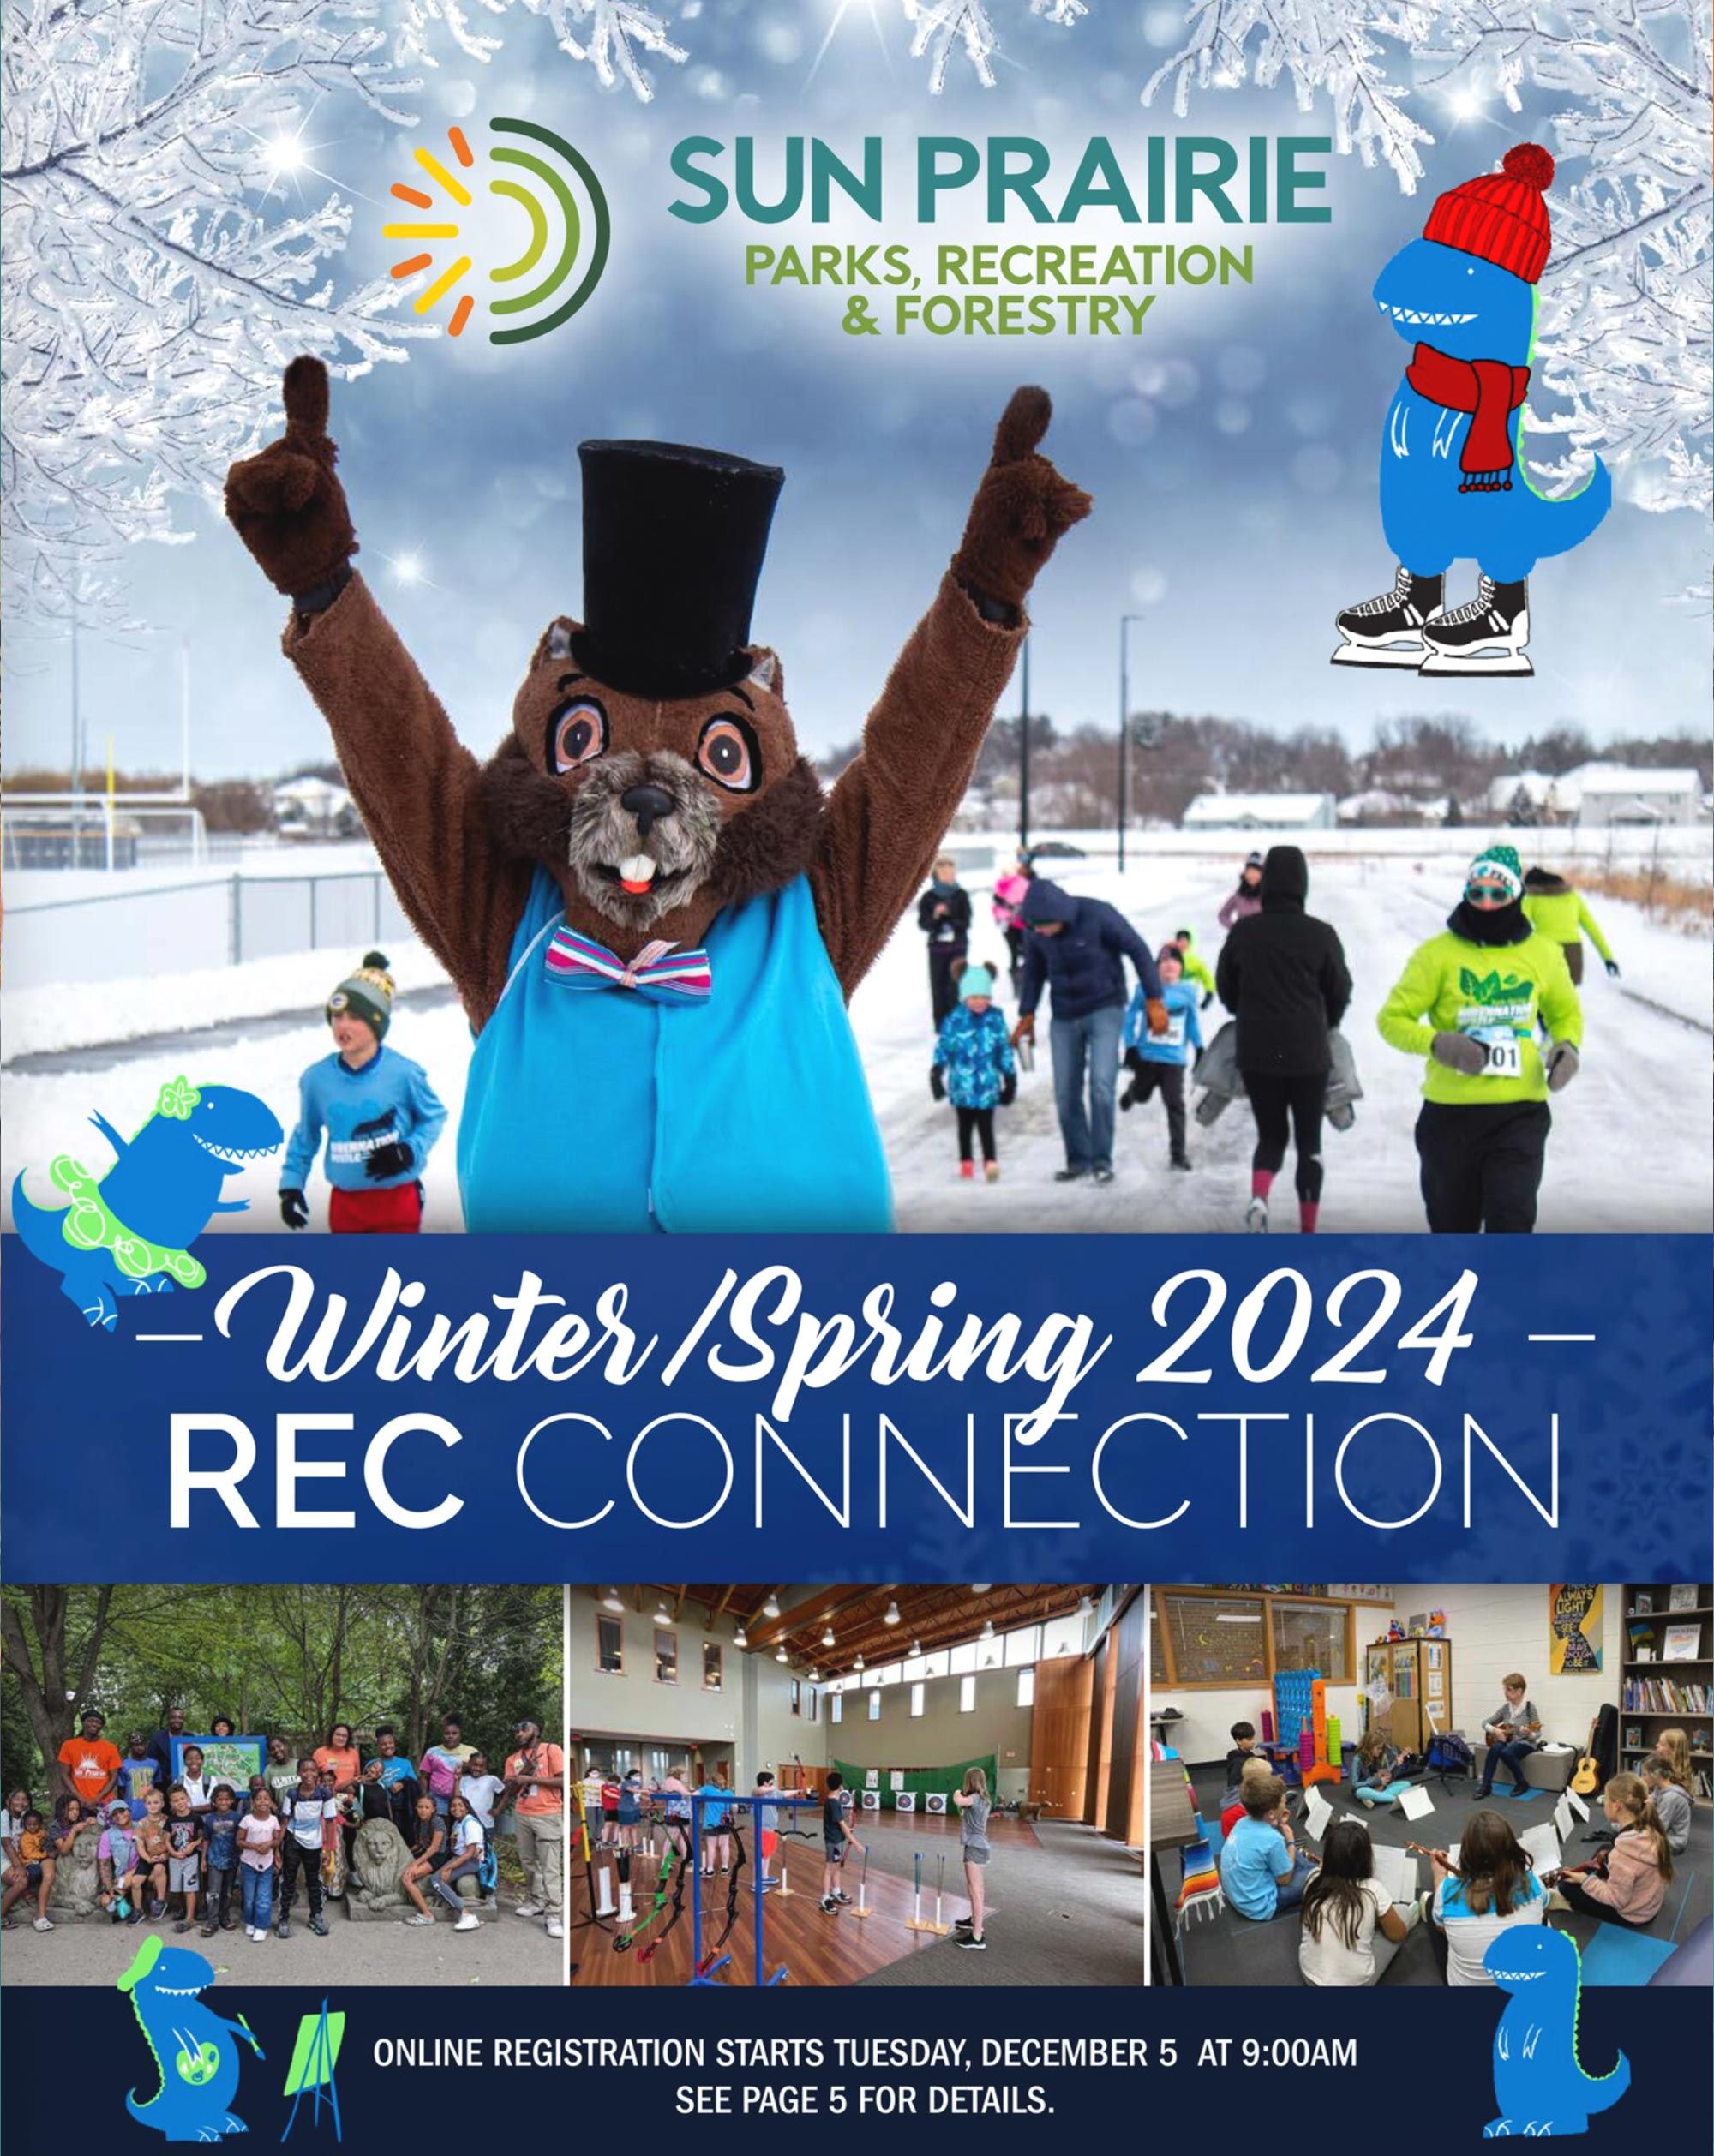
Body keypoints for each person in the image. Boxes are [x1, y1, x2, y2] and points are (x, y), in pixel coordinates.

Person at [1377, 844, 1581, 1234]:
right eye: (1477, 893)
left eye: (1498, 893)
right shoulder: (1436, 955)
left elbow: (1564, 1012)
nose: (1487, 903)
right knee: (1454, 1233)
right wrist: (1438, 1044)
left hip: (1520, 1113)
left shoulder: (1542, 953)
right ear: (1466, 893)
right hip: (1450, 1117)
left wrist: (1567, 1046)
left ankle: (1505, 1294)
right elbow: (1392, 1020)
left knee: (1512, 1221)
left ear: (1516, 895)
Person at [1216, 845, 1351, 1235]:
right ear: (1303, 885)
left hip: (1257, 1051)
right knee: (1309, 1141)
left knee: (1271, 1134)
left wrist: (1247, 1009)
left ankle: (1260, 1197)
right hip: (1309, 1052)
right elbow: (1340, 989)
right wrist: (1327, 1020)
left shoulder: (1244, 932)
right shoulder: (1321, 934)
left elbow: (1227, 988)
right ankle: (1307, 1228)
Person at [279, 951, 446, 1234]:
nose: (343, 1025)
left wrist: (408, 1151)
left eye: (355, 1017)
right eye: (337, 1017)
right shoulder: (317, 1080)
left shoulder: (404, 1073)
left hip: (398, 1201)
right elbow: (305, 1135)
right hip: (347, 1207)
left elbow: (434, 1118)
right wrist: (291, 1186)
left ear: (376, 1023)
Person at [1013, 878, 1165, 1185]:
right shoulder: (1035, 931)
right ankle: (1078, 1159)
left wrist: (1154, 998)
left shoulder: (1097, 915)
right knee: (1065, 1090)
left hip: (1104, 1007)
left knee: (1101, 1085)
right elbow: (1033, 973)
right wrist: (1026, 1013)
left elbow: (1137, 948)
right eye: (1034, 927)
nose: (1038, 932)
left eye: (1043, 926)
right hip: (1064, 1014)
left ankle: (1101, 1160)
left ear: (1061, 916)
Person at [1426, 1811, 1546, 1985]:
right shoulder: (1533, 1882)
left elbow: (1442, 1929)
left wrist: (1439, 1875)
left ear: (1466, 1853)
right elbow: (1542, 1910)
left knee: (1433, 1905)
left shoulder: (1447, 1891)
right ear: (1511, 1848)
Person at [1298, 1818, 1419, 1986]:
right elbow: (1397, 1934)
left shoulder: (1312, 1878)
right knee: (1403, 1913)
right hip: (1356, 1984)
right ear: (1366, 1857)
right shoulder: (1373, 1889)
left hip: (1311, 1976)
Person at [1547, 1773, 1670, 1929]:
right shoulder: (1651, 1828)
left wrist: (1584, 1880)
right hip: (1648, 1903)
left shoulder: (1622, 1856)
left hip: (1632, 1915)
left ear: (1617, 1806)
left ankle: (1575, 1899)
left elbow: (1616, 1900)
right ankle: (1597, 1878)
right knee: (1604, 1849)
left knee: (1566, 1888)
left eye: (1606, 1799)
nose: (1604, 1803)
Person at [932, 963, 1017, 1183]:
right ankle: (966, 1161)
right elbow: (944, 1047)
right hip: (962, 1085)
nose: (979, 1001)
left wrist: (1009, 1077)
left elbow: (1003, 1049)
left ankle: (990, 1161)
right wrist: (937, 1071)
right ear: (964, 997)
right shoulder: (955, 1021)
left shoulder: (995, 1020)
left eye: (983, 996)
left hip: (988, 1085)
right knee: (965, 1125)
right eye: (974, 996)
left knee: (986, 1125)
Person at [1120, 945, 1202, 1171]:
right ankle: (1133, 1091)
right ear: (1155, 969)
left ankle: (1178, 1155)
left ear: (1181, 968)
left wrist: (1199, 1047)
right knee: (1143, 1095)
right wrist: (1130, 1046)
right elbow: (1129, 1018)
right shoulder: (1144, 990)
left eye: (1174, 962)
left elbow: (1192, 1021)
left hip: (1174, 1060)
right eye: (1163, 963)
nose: (1169, 966)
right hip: (1147, 1057)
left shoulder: (1188, 992)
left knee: (1175, 1104)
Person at [498, 1716, 565, 1938]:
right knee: (528, 1861)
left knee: (550, 1865)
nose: (519, 1734)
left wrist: (530, 1779)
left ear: (537, 1730)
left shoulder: (551, 1750)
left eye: (524, 1729)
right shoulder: (513, 1759)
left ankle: (554, 1912)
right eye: (516, 1731)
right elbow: (509, 1787)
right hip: (523, 1814)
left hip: (548, 1813)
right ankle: (536, 1900)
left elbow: (562, 1781)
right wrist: (522, 1775)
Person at [1219, 1772, 1317, 1919]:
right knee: (1320, 1875)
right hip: (1260, 1906)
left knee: (1297, 1859)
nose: (1286, 1804)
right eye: (1283, 1802)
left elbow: (1263, 1842)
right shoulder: (1273, 1839)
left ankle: (1309, 1868)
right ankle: (1315, 1872)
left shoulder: (1242, 1822)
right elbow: (1284, 1880)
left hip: (1239, 1895)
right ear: (1271, 1814)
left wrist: (1277, 1823)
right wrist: (1290, 1842)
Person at [1522, 865, 1618, 985]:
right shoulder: (1573, 897)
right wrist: (1607, 958)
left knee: (1543, 997)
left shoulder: (1532, 899)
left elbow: (1517, 926)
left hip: (1546, 952)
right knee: (1567, 1000)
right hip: (1573, 953)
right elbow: (1592, 929)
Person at [275, 1757, 334, 1939]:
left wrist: (328, 1849)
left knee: (313, 1881)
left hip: (314, 1843)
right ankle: (283, 1918)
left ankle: (315, 1915)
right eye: (305, 1770)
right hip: (293, 1840)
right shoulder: (292, 1795)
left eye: (313, 1770)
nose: (309, 1774)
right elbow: (284, 1822)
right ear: (298, 1773)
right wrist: (277, 1848)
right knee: (288, 1880)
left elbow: (330, 1822)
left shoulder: (325, 1794)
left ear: (318, 1773)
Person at [918, 855, 974, 1027]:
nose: (948, 877)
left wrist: (950, 916)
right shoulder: (928, 897)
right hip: (937, 948)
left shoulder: (961, 895)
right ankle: (941, 1023)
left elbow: (966, 922)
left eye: (951, 873)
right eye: (944, 874)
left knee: (955, 984)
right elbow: (923, 924)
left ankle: (957, 1021)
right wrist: (935, 916)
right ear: (936, 875)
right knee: (938, 985)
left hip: (957, 946)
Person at [1477, 1674, 1543, 1798]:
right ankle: (1486, 1785)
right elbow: (1485, 1723)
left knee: (1507, 1752)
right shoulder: (1506, 1708)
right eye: (1505, 1689)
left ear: (1519, 1691)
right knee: (1496, 1748)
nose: (1505, 1693)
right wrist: (1495, 1731)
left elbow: (1538, 1733)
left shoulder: (1530, 1708)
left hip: (1525, 1743)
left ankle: (1522, 1783)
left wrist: (1529, 1733)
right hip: (1509, 1741)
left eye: (1509, 1689)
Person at [951, 1764, 992, 1951]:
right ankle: (974, 1920)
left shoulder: (974, 1798)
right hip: (980, 1846)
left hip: (975, 1848)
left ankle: (977, 1936)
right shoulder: (983, 1799)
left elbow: (958, 1800)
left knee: (975, 1891)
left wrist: (957, 1790)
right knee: (977, 1889)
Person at [459, 1752, 507, 1907]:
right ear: (469, 1764)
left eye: (481, 1766)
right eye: (474, 1764)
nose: (477, 1768)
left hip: (486, 1826)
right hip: (466, 1825)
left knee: (485, 1858)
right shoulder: (464, 1780)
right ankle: (470, 1889)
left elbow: (506, 1792)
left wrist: (498, 1809)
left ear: (486, 1767)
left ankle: (489, 1889)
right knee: (467, 1855)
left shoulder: (492, 1780)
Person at [434, 1791, 487, 1931]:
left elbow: (470, 1853)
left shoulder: (470, 1824)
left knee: (436, 1880)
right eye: (453, 1806)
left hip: (471, 1860)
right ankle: (451, 1900)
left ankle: (467, 1915)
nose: (456, 1808)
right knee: (437, 1878)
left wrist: (448, 1869)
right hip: (460, 1858)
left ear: (467, 1807)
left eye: (460, 1805)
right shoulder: (458, 1823)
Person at [57, 1708, 122, 1817]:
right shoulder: (69, 1745)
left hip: (104, 1802)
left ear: (101, 1726)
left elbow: (114, 1777)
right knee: (76, 1831)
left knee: (105, 1833)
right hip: (77, 1802)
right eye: (91, 1720)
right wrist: (79, 1797)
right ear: (83, 1723)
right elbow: (64, 1774)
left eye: (98, 1722)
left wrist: (97, 1799)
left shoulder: (110, 1748)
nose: (94, 1724)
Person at [238, 1785, 282, 1943]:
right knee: (249, 1897)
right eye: (259, 1798)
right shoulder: (247, 1819)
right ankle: (249, 1921)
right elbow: (239, 1841)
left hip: (267, 1862)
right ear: (253, 1801)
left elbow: (277, 1839)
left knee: (263, 1897)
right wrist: (255, 1847)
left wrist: (270, 1845)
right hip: (248, 1862)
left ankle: (261, 1927)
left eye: (266, 1798)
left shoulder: (274, 1820)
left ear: (270, 1802)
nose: (262, 1801)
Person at [361, 1726, 419, 1836]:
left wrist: (403, 1783)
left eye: (390, 1743)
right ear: (378, 1746)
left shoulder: (405, 1763)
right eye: (383, 1744)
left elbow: (415, 1785)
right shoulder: (371, 1765)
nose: (388, 1746)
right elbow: (364, 1788)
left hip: (402, 1811)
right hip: (379, 1810)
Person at [200, 1783, 242, 1936]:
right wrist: (203, 1859)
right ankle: (212, 1922)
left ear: (231, 1801)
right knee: (214, 1892)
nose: (223, 1802)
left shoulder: (237, 1817)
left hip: (231, 1859)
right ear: (214, 1801)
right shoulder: (210, 1818)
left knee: (228, 1892)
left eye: (226, 1799)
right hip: (214, 1859)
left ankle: (225, 1917)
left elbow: (241, 1837)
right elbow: (206, 1839)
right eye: (220, 1800)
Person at [401, 1793, 448, 1926]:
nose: (423, 1810)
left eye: (427, 1807)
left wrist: (415, 1863)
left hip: (437, 1856)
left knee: (407, 1878)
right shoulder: (420, 1822)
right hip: (425, 1852)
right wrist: (407, 1852)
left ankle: (427, 1915)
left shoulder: (437, 1821)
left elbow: (433, 1848)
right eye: (420, 1807)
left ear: (433, 1809)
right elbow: (422, 1843)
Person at [818, 1772, 863, 1913]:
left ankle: (836, 1891)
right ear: (840, 1786)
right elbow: (842, 1825)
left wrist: (848, 1825)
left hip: (837, 1839)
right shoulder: (833, 1803)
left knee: (836, 1867)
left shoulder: (833, 1802)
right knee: (829, 1868)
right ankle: (825, 1898)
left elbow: (840, 1824)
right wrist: (856, 1843)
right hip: (833, 1841)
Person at [163, 1784, 204, 1934]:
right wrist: (173, 1852)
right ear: (171, 1803)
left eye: (182, 1799)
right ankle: (184, 1909)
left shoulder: (196, 1818)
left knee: (190, 1888)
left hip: (190, 1858)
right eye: (175, 1800)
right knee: (177, 1887)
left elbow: (201, 1838)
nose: (179, 1802)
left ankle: (190, 1917)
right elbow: (166, 1839)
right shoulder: (171, 1820)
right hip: (175, 1859)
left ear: (187, 1798)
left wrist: (193, 1845)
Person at [6, 1810, 56, 1931]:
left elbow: (45, 1836)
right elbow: (29, 1853)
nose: (33, 1827)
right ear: (25, 1825)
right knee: (34, 1873)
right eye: (30, 1825)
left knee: (45, 1874)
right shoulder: (25, 1838)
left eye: (35, 1824)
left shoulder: (41, 1832)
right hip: (29, 1860)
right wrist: (44, 1854)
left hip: (39, 1858)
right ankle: (26, 1891)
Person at [98, 1802, 145, 1924]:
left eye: (122, 1811)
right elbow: (104, 1863)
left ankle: (146, 1908)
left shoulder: (142, 1827)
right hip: (121, 1875)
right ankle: (124, 1900)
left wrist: (132, 1872)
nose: (119, 1816)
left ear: (129, 1811)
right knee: (107, 1903)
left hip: (144, 1870)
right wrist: (109, 1888)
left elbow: (151, 1853)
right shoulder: (107, 1835)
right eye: (114, 1814)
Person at [1639, 1754, 1693, 1857]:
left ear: (1656, 1775)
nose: (1642, 1778)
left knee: (1633, 1840)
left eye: (1645, 1774)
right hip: (1662, 1831)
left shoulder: (1670, 1798)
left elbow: (1660, 1827)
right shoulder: (1659, 1788)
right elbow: (1652, 1802)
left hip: (1673, 1840)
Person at [419, 1717, 472, 1818]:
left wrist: (467, 1768)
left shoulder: (471, 1752)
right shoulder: (432, 1752)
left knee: (460, 1824)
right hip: (438, 1797)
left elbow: (479, 1772)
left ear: (460, 1735)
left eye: (454, 1733)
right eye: (447, 1733)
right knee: (439, 1825)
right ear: (442, 1735)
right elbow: (424, 1776)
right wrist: (425, 1796)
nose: (450, 1736)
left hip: (463, 1797)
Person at [1352, 1723, 1414, 1808]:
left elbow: (1390, 1778)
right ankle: (1395, 1799)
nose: (1381, 1751)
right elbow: (1355, 1784)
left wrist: (1397, 1766)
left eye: (1381, 1748)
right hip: (1364, 1788)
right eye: (1378, 1748)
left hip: (1380, 1788)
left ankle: (1376, 1798)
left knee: (1406, 1784)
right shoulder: (1357, 1759)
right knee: (1362, 1792)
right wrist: (1377, 1781)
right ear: (1369, 1747)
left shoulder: (1381, 1757)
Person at [134, 1786, 171, 1920]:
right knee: (135, 1882)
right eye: (149, 1803)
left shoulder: (168, 1820)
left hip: (162, 1855)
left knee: (159, 1868)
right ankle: (138, 1910)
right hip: (147, 1856)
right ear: (145, 1805)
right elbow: (139, 1845)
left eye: (156, 1802)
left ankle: (160, 1901)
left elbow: (171, 1841)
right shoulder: (141, 1823)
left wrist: (166, 1854)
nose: (153, 1806)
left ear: (162, 1804)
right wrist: (147, 1858)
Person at [992, 858, 1032, 984]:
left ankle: (1025, 977)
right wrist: (1004, 912)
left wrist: (1012, 909)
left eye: (1008, 872)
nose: (1006, 874)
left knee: (1025, 951)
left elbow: (1026, 903)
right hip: (1008, 925)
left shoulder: (1022, 884)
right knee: (1014, 952)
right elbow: (995, 908)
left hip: (1022, 924)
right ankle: (1017, 980)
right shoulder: (999, 887)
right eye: (1004, 872)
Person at [1168, 926, 1217, 1007]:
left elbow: (1207, 978)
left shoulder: (1196, 961)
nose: (1182, 943)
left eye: (1185, 941)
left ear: (1190, 942)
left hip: (1190, 997)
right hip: (1172, 996)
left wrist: (1209, 994)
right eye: (1180, 940)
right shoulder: (1170, 959)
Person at [698, 1769, 734, 1876]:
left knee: (711, 1846)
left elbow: (694, 1795)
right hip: (725, 1821)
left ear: (712, 1782)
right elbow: (735, 1808)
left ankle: (709, 1869)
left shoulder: (707, 1789)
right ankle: (724, 1867)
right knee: (724, 1845)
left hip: (710, 1822)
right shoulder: (729, 1792)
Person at [1217, 851, 1265, 931]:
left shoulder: (1268, 894)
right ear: (1244, 874)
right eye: (1249, 872)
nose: (1252, 875)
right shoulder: (1239, 894)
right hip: (1242, 939)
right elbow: (1223, 915)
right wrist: (1235, 928)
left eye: (1256, 872)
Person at [117, 1731, 159, 1814]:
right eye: (136, 1745)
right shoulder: (123, 1764)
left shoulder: (154, 1764)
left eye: (142, 1744)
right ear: (131, 1747)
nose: (140, 1748)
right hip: (131, 1810)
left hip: (151, 1811)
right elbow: (121, 1790)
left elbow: (158, 1786)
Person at [146, 1707, 189, 1788]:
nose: (177, 1720)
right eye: (173, 1717)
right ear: (168, 1719)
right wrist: (165, 1776)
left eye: (180, 1718)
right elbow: (151, 1761)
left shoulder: (190, 1737)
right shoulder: (157, 1738)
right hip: (163, 1786)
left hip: (187, 1785)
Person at [1222, 1722, 1261, 1808]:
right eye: (1249, 1739)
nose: (1253, 1742)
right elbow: (1233, 1786)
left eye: (1253, 1738)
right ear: (1238, 1741)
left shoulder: (1250, 1755)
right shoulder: (1237, 1762)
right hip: (1243, 1797)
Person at [753, 1770, 780, 1889]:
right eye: (771, 1781)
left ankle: (764, 1876)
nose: (773, 1783)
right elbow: (758, 1790)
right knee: (761, 1855)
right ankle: (756, 1882)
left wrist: (799, 1791)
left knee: (768, 1854)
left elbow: (783, 1794)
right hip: (763, 1829)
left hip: (772, 1828)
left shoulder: (772, 1792)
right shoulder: (759, 1792)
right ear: (765, 1782)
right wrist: (771, 1787)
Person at [263, 1735, 301, 1810]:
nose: (276, 1750)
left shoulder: (299, 1764)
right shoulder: (269, 1770)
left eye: (279, 1746)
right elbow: (265, 1793)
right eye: (272, 1749)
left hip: (303, 1810)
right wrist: (274, 1807)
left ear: (286, 1746)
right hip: (281, 1812)